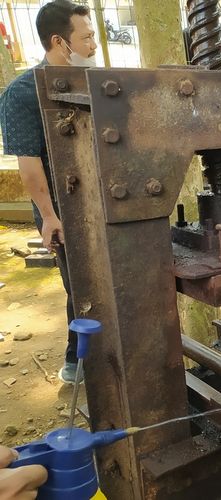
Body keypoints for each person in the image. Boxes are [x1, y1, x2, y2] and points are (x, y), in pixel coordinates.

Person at [0, 0, 97, 384]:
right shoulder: (22, 94)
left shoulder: (90, 81)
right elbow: (29, 164)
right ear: (60, 41)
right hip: (60, 207)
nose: (93, 45)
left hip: (98, 199)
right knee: (80, 284)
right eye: (86, 37)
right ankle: (78, 363)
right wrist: (50, 215)